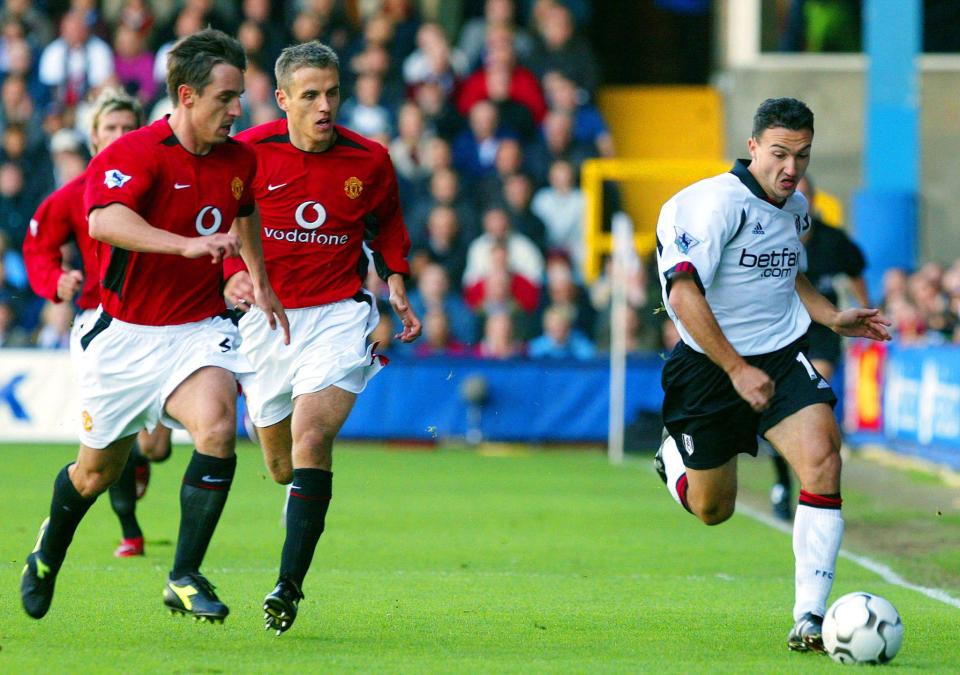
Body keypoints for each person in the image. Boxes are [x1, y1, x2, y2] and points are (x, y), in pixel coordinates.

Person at [20, 28, 288, 624]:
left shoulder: (239, 158)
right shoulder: (132, 153)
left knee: (218, 428)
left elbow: (245, 213)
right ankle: (48, 550)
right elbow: (105, 223)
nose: (237, 110)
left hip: (197, 330)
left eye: (240, 96)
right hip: (123, 334)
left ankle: (184, 574)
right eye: (225, 98)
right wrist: (184, 246)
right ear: (187, 96)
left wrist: (257, 280)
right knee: (97, 472)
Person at [652, 98, 891, 653]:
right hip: (710, 369)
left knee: (823, 457)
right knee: (714, 510)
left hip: (782, 356)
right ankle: (673, 461)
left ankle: (810, 617)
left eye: (801, 156)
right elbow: (682, 296)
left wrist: (830, 315)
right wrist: (734, 369)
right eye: (780, 154)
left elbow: (789, 272)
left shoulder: (797, 209)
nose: (790, 168)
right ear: (754, 146)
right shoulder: (709, 205)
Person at [221, 41, 421, 636]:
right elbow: (213, 222)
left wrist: (396, 281)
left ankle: (288, 586)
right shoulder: (246, 154)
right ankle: (296, 507)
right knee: (281, 466)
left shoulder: (370, 159)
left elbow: (388, 227)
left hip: (338, 315)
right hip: (265, 319)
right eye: (310, 95)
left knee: (312, 439)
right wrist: (233, 275)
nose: (324, 105)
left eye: (332, 92)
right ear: (282, 99)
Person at [22, 88, 174, 559]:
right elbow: (37, 246)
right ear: (93, 138)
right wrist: (55, 281)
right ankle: (130, 530)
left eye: (129, 128)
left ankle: (141, 461)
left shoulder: (159, 184)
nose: (121, 136)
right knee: (112, 431)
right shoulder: (74, 194)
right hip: (99, 322)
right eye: (111, 129)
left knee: (157, 448)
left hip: (165, 320)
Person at [766, 173, 869, 522]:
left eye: (806, 195)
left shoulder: (833, 240)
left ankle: (813, 484)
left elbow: (856, 271)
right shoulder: (768, 235)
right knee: (782, 411)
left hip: (822, 332)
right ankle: (783, 483)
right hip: (780, 333)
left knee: (811, 398)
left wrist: (868, 312)